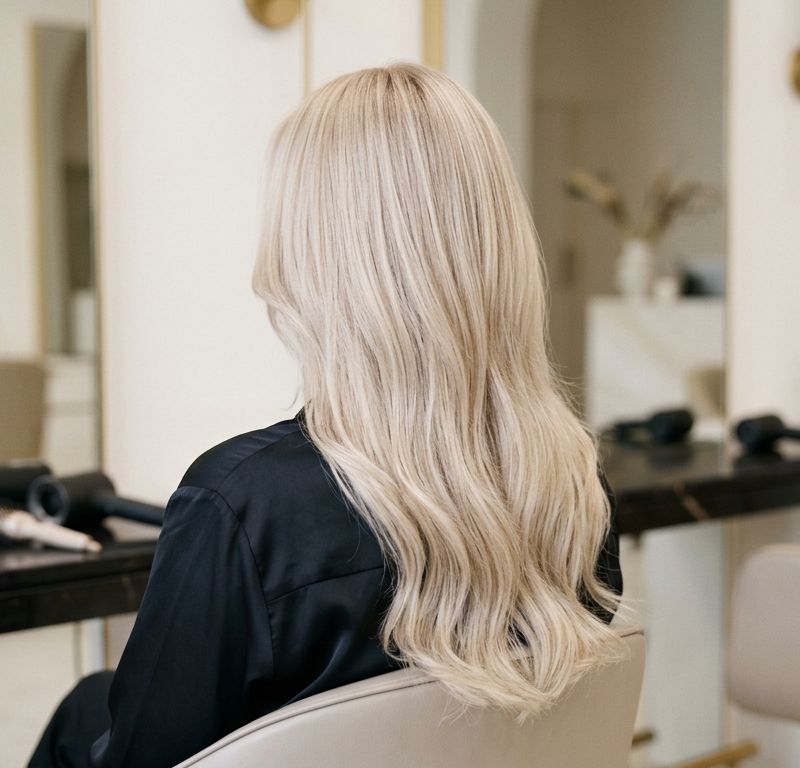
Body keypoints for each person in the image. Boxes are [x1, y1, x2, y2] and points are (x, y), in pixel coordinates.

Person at [29, 63, 624, 768]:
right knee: (89, 702)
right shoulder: (573, 493)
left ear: (311, 258)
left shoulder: (244, 508)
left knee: (83, 720)